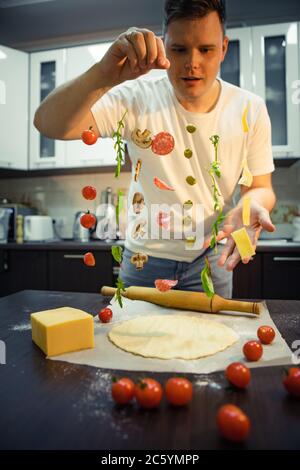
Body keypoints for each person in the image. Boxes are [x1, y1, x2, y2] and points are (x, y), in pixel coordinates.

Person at [34, 0, 276, 298]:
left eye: (206, 49)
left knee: (212, 344)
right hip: (143, 259)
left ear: (224, 48)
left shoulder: (249, 109)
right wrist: (104, 74)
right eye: (180, 49)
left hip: (211, 259)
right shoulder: (135, 98)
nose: (192, 63)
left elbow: (261, 187)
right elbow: (49, 124)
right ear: (164, 47)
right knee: (128, 342)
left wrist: (249, 206)